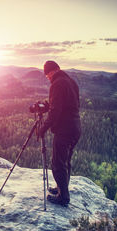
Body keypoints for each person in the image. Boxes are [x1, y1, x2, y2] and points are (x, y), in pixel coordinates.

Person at [39, 61, 81, 207]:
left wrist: (43, 128)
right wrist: (49, 104)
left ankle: (63, 197)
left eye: (47, 75)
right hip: (75, 128)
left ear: (51, 72)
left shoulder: (57, 84)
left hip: (65, 130)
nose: (47, 78)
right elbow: (70, 104)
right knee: (65, 162)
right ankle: (61, 189)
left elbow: (56, 111)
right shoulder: (70, 81)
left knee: (57, 163)